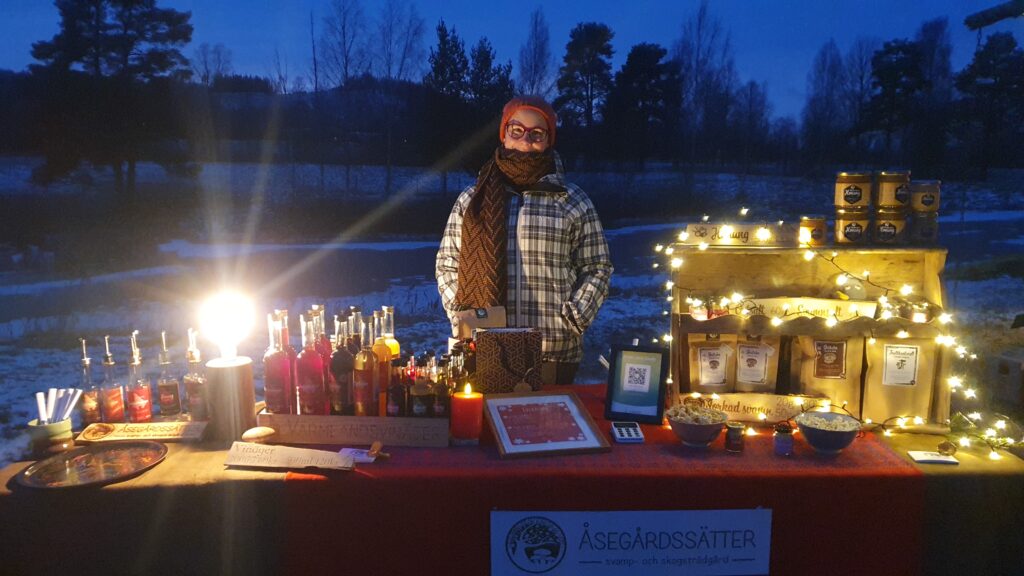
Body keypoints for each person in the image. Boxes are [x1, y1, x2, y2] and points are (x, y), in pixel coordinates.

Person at [435, 95, 613, 385]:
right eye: (516, 130)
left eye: (537, 133)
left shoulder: (572, 200)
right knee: (486, 427)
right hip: (484, 348)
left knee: (551, 428)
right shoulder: (471, 201)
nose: (525, 140)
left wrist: (573, 319)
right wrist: (462, 316)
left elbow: (598, 267)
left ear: (548, 140)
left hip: (552, 351)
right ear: (504, 134)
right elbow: (447, 264)